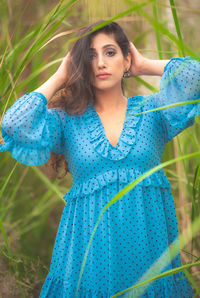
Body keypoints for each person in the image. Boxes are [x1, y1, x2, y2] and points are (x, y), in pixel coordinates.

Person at [0, 20, 200, 297]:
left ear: (126, 58)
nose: (101, 63)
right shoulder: (66, 121)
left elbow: (195, 75)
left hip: (148, 249)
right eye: (90, 56)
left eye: (110, 52)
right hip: (89, 255)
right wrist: (61, 74)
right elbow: (14, 124)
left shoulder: (154, 110)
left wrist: (143, 65)